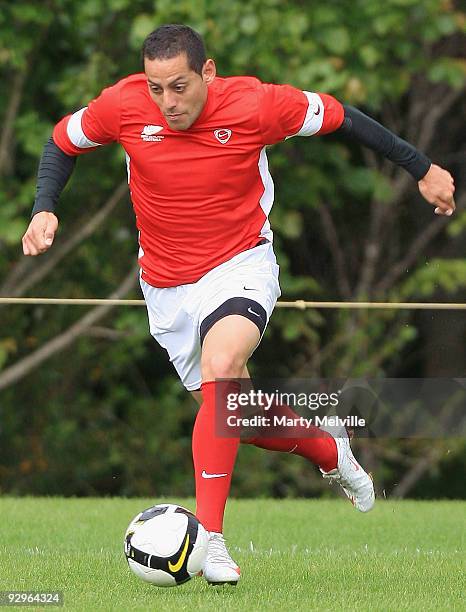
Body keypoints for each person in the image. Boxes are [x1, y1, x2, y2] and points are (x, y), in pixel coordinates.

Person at [22, 24, 455, 585]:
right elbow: (62, 140)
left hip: (239, 264)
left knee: (221, 366)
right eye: (156, 89)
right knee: (238, 416)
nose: (166, 102)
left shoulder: (256, 104)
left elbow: (342, 115)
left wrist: (422, 169)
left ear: (207, 72)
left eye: (178, 87)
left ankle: (211, 541)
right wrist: (44, 207)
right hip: (164, 284)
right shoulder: (122, 104)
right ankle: (329, 446)